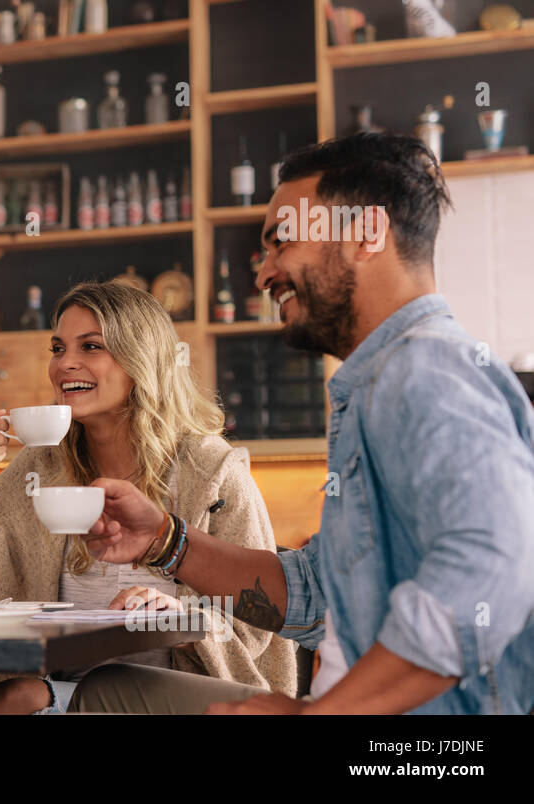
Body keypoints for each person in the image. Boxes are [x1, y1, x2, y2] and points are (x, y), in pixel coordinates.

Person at [74, 132, 534, 715]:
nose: (265, 273)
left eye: (281, 242)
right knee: (100, 692)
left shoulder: (422, 370)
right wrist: (165, 541)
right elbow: (315, 597)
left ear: (368, 233)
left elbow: (494, 565)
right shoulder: (380, 380)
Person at [0, 281, 296, 715]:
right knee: (12, 698)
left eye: (91, 347)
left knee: (15, 700)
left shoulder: (213, 472)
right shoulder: (42, 465)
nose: (65, 364)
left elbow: (259, 612)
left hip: (182, 697)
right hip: (66, 693)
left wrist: (183, 613)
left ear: (140, 359)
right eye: (57, 349)